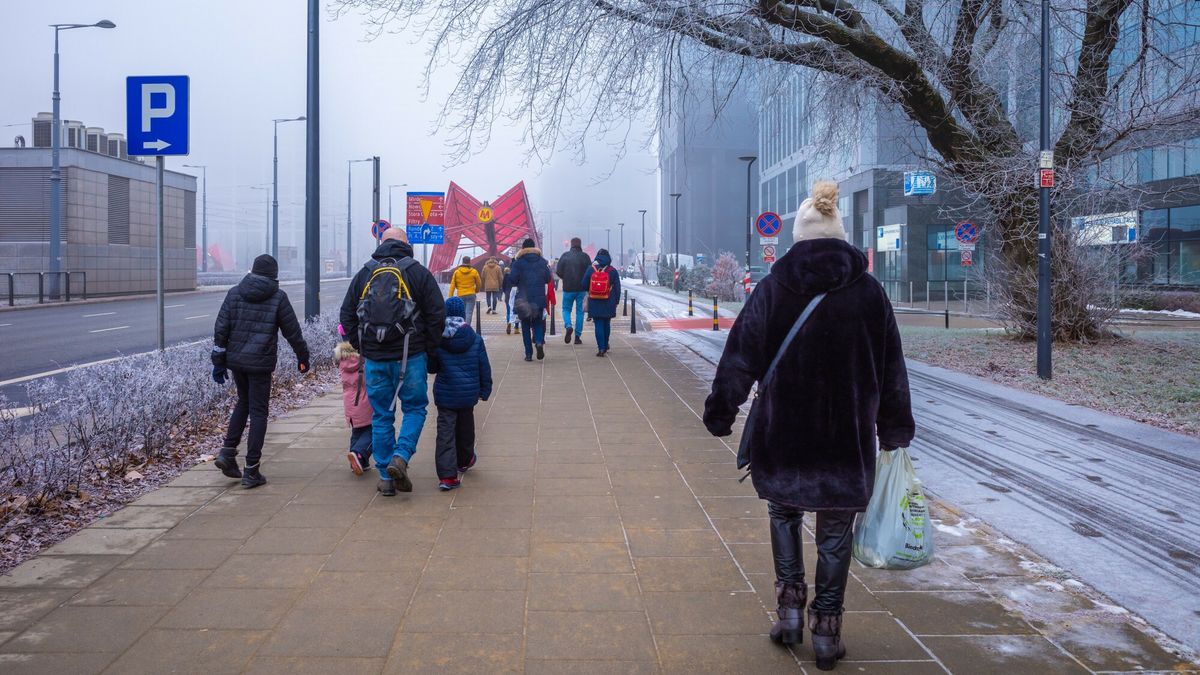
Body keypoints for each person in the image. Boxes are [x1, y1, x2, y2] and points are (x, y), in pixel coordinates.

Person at [701, 181, 915, 671]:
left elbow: (739, 358)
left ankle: (790, 614)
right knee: (836, 532)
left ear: (798, 239)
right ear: (841, 238)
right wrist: (895, 431)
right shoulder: (869, 293)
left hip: (786, 435)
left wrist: (721, 412)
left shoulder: (774, 289)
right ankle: (826, 632)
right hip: (846, 439)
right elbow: (891, 371)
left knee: (784, 515)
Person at [339, 229, 445, 496]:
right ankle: (402, 455)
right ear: (405, 244)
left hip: (375, 359)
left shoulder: (365, 273)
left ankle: (386, 476)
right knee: (415, 409)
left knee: (382, 415)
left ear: (382, 243)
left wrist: (363, 345)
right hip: (411, 356)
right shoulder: (417, 272)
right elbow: (436, 314)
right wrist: (427, 348)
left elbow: (346, 314)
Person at [211, 254, 310, 489]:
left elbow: (221, 328)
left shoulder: (235, 293)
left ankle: (227, 452)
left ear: (252, 271)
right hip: (260, 363)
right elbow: (292, 331)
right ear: (274, 275)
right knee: (258, 412)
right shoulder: (277, 297)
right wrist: (302, 357)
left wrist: (218, 361)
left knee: (242, 402)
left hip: (237, 362)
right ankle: (251, 469)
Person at [433, 297, 492, 491]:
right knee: (466, 428)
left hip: (446, 395)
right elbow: (484, 366)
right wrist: (485, 389)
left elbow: (432, 367)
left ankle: (447, 477)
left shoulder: (439, 339)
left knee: (445, 433)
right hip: (468, 394)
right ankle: (465, 460)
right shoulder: (474, 338)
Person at [505, 238, 552, 362]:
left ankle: (528, 354)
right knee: (537, 323)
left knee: (525, 325)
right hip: (539, 297)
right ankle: (538, 342)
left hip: (523, 299)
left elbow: (512, 280)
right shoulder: (542, 262)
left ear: (523, 249)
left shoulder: (518, 263)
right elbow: (548, 278)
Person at [334, 334, 373, 476]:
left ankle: (357, 462)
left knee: (357, 432)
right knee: (375, 431)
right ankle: (359, 455)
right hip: (365, 402)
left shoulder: (343, 361)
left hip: (350, 404)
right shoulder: (363, 360)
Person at [581, 248, 620, 357]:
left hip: (594, 300)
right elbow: (617, 288)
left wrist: (591, 289)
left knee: (598, 324)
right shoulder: (612, 271)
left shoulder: (591, 269)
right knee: (606, 323)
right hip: (609, 300)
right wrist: (616, 301)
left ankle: (601, 348)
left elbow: (583, 284)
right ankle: (606, 343)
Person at [555, 237, 591, 345]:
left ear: (571, 245)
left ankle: (568, 325)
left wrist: (565, 278)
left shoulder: (565, 256)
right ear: (580, 245)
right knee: (580, 312)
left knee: (566, 309)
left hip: (568, 288)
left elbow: (558, 271)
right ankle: (577, 337)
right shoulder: (585, 257)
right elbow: (590, 272)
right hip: (581, 289)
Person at [449, 256, 482, 320]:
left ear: (462, 262)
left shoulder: (457, 272)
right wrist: (476, 290)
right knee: (469, 313)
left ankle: (462, 327)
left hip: (460, 294)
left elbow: (452, 285)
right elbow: (479, 283)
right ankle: (466, 328)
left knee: (462, 313)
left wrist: (450, 297)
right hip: (471, 294)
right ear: (470, 262)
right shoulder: (474, 271)